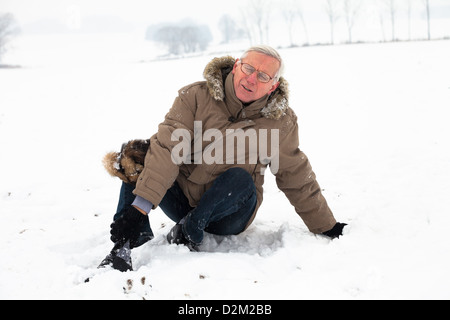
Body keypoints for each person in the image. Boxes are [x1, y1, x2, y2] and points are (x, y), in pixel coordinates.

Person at [100, 45, 347, 271]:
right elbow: (168, 149)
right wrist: (139, 209)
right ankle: (124, 244)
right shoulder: (195, 97)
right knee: (141, 155)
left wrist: (325, 224)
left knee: (239, 177)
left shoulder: (280, 121)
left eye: (263, 76)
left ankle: (189, 230)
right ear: (237, 65)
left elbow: (294, 173)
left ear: (273, 85)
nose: (251, 79)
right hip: (182, 200)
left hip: (231, 212)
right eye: (248, 68)